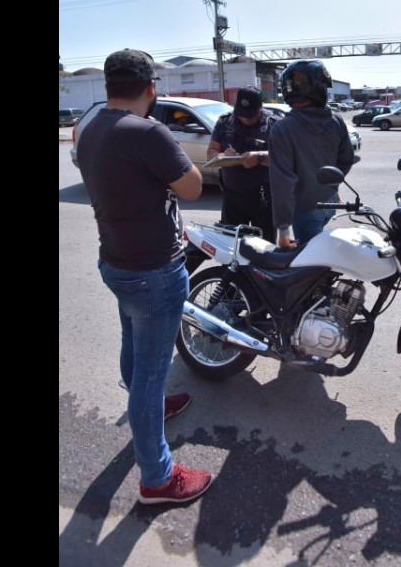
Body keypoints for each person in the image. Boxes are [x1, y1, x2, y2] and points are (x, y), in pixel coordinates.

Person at [76, 48, 213, 505]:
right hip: (153, 271)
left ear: (108, 86)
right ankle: (157, 478)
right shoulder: (148, 131)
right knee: (151, 374)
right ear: (151, 88)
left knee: (134, 347)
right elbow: (192, 187)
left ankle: (148, 406)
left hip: (117, 262)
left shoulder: (91, 127)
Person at [268, 59, 355, 249]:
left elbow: (282, 182)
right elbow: (346, 160)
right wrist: (331, 188)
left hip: (305, 211)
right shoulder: (336, 121)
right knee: (318, 254)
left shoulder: (283, 129)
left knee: (308, 264)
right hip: (330, 202)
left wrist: (283, 230)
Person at [207, 85, 279, 241]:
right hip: (232, 196)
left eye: (251, 115)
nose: (246, 119)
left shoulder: (274, 125)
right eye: (242, 114)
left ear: (260, 107)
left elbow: (285, 158)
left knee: (265, 246)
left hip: (263, 198)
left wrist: (260, 157)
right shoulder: (225, 122)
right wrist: (223, 155)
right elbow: (211, 152)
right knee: (230, 244)